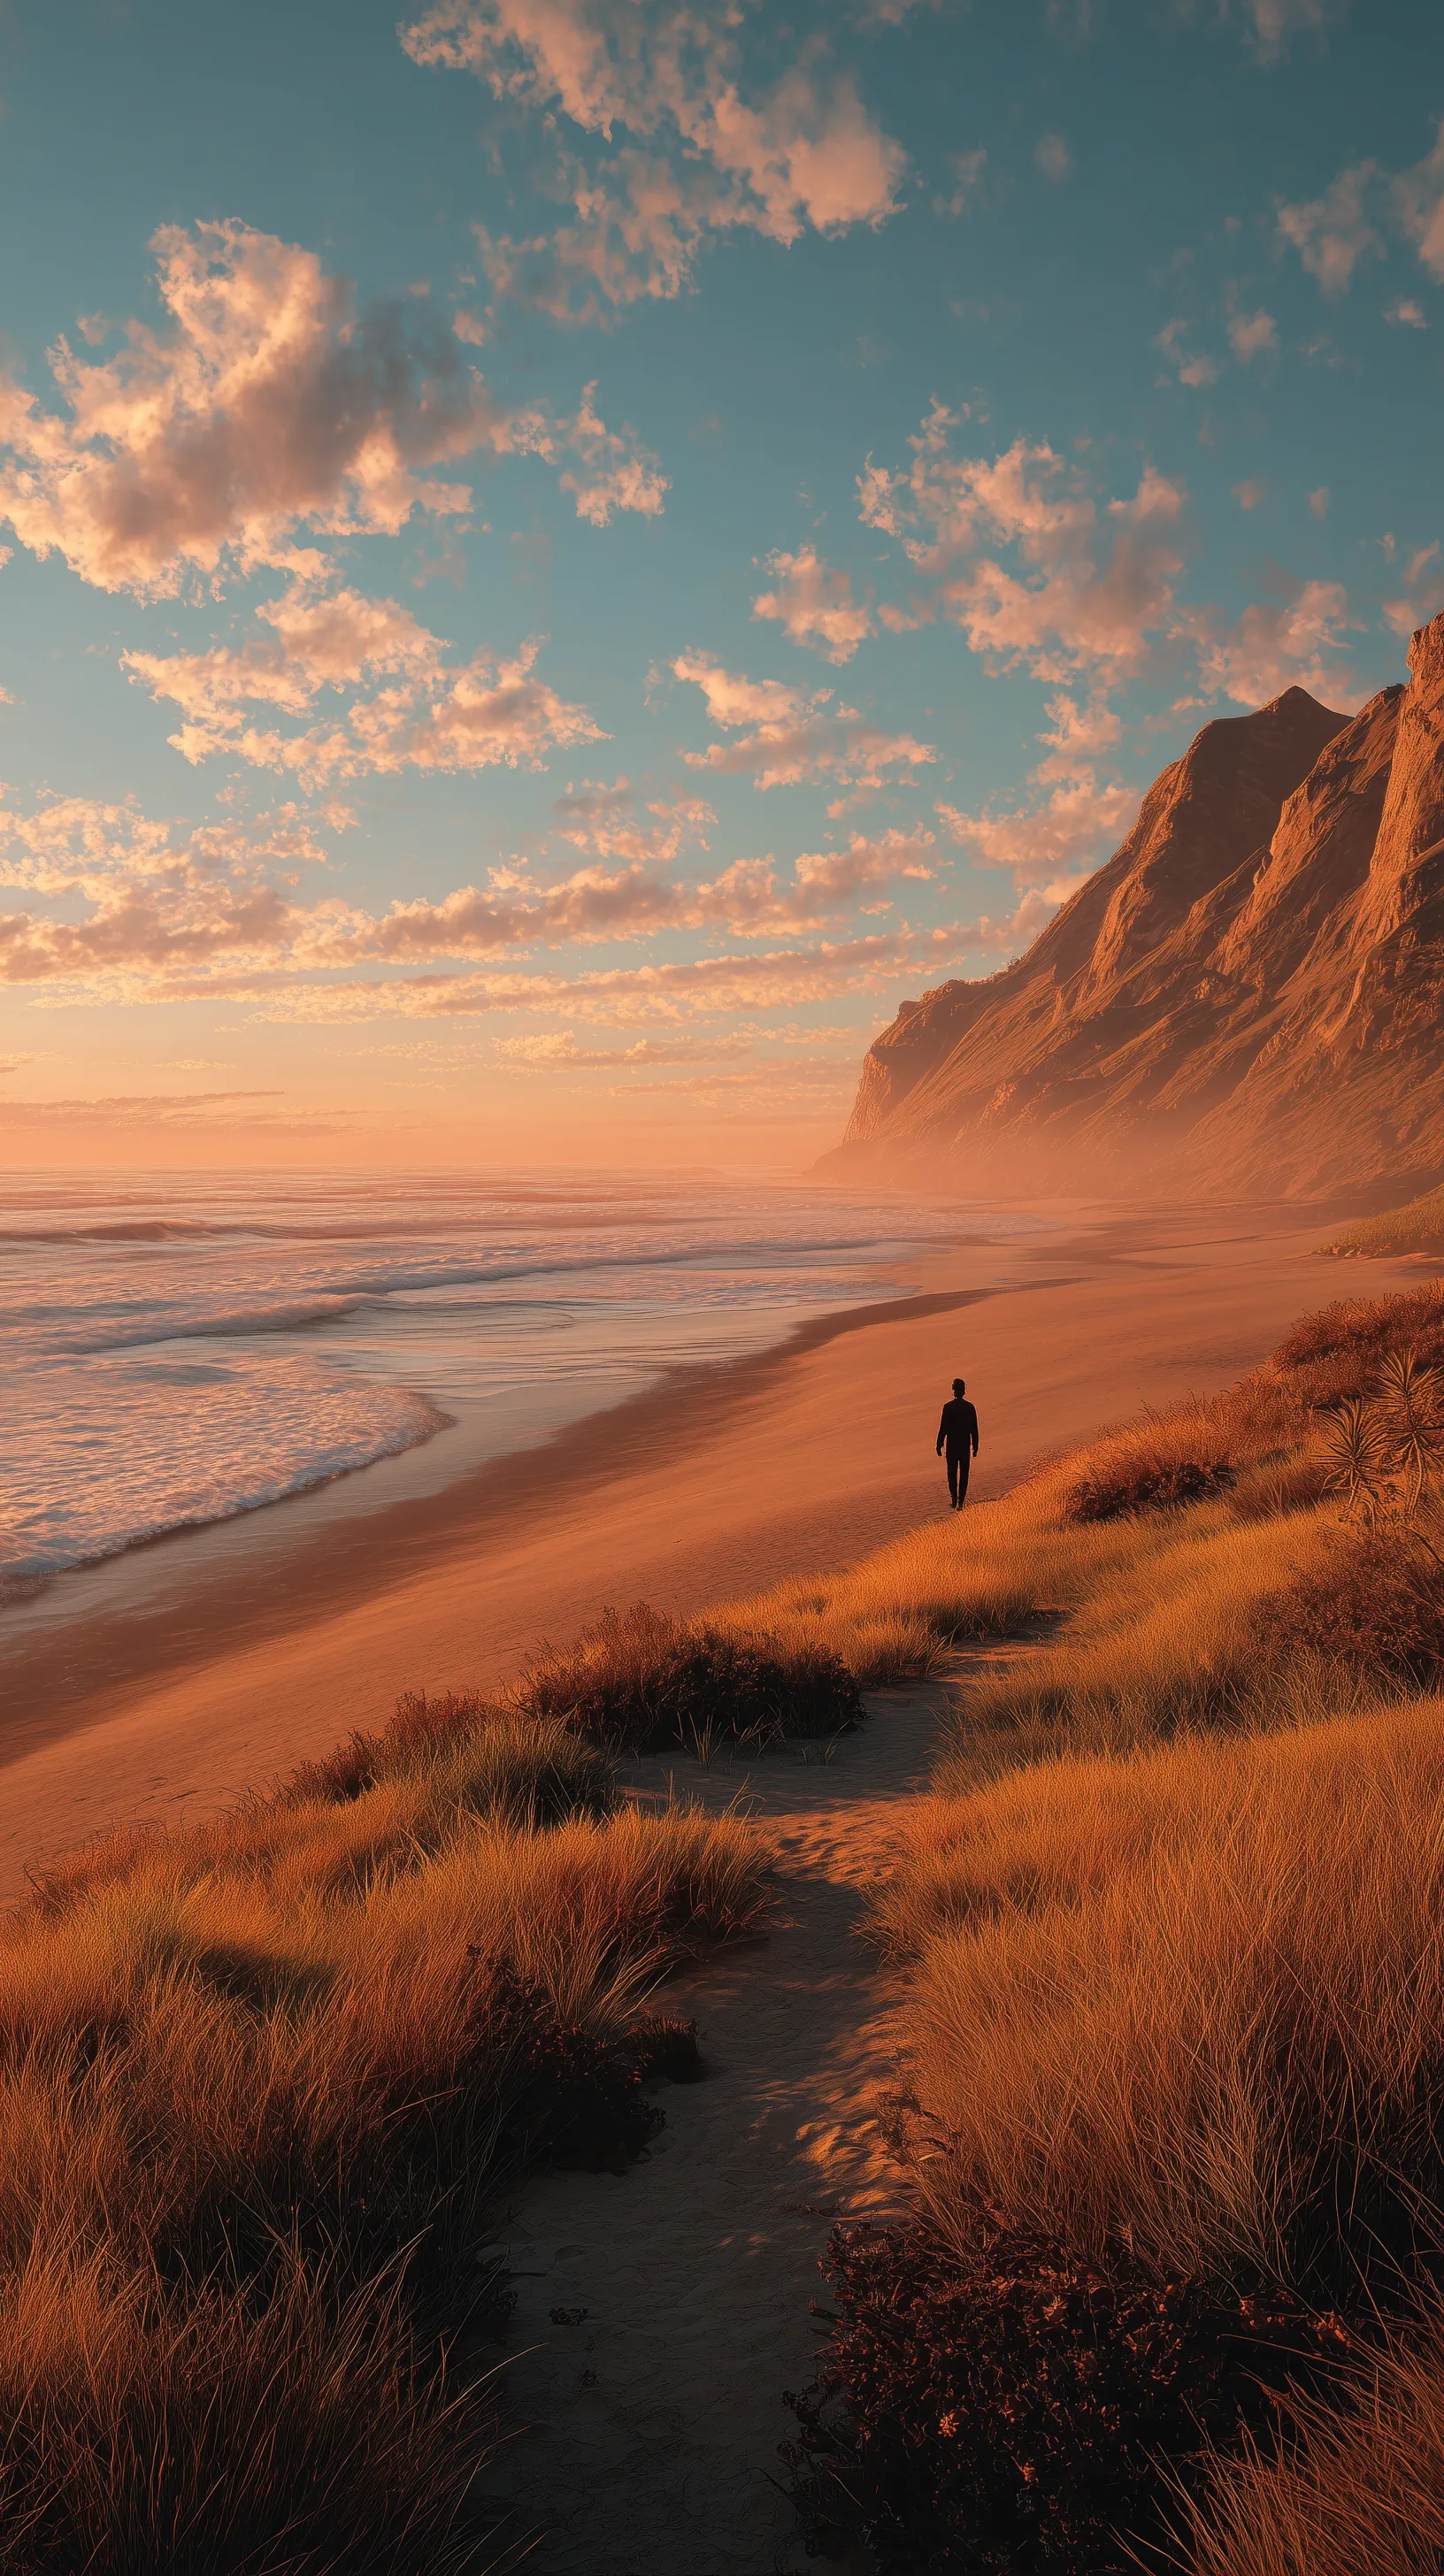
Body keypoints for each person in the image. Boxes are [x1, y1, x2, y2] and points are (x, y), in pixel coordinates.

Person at [936, 1376, 979, 1510]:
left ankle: (955, 1499)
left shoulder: (948, 1407)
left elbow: (943, 1427)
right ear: (964, 1391)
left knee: (952, 1474)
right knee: (964, 1474)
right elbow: (974, 1429)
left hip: (953, 1446)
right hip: (964, 1446)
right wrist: (975, 1446)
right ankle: (960, 1502)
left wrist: (939, 1444)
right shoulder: (970, 1407)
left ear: (953, 1390)